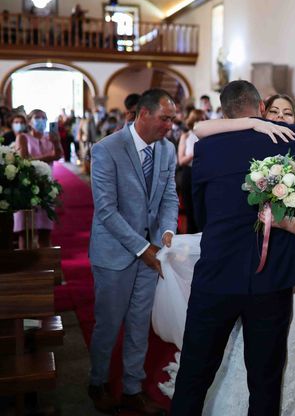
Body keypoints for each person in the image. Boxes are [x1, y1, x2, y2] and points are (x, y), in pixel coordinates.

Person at [171, 80, 295, 415]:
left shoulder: (206, 147)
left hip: (217, 274)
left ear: (225, 111)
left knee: (194, 374)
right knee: (265, 380)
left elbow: (199, 211)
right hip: (270, 278)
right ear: (262, 108)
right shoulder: (291, 138)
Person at [87, 89, 178, 416]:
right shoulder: (107, 149)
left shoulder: (167, 150)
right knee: (108, 324)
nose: (170, 126)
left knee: (140, 323)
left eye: (172, 119)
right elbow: (106, 211)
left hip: (151, 251)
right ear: (143, 114)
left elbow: (169, 197)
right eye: (164, 118)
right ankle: (97, 382)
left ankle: (132, 388)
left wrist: (167, 232)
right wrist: (143, 248)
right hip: (115, 253)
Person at [13, 109, 63, 249]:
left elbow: (58, 155)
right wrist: (50, 156)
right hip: (26, 187)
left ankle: (46, 267)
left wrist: (57, 142)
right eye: (37, 117)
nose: (41, 120)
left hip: (46, 187)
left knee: (45, 231)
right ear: (29, 121)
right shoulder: (23, 137)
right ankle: (25, 268)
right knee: (25, 232)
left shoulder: (49, 137)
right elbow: (24, 160)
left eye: (44, 118)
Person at [177, 109, 207, 234]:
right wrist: (194, 153)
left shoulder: (207, 136)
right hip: (189, 173)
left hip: (203, 172)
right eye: (202, 119)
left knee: (202, 209)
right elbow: (181, 160)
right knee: (190, 209)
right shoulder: (186, 135)